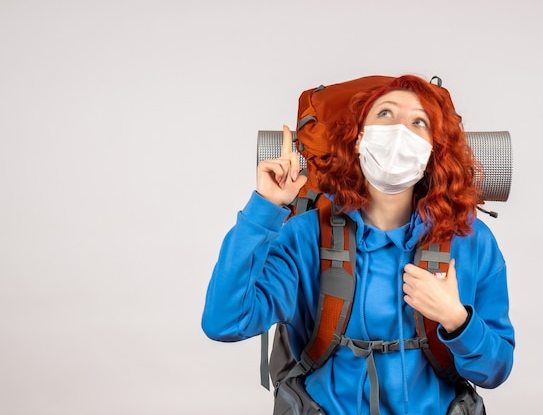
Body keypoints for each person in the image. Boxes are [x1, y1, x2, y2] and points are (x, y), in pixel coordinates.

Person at [201, 75, 515, 414]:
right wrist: (266, 208)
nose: (400, 131)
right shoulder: (307, 236)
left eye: (419, 121)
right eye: (385, 114)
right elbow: (225, 322)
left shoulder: (469, 240)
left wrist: (456, 319)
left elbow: (495, 371)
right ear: (358, 140)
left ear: (432, 150)